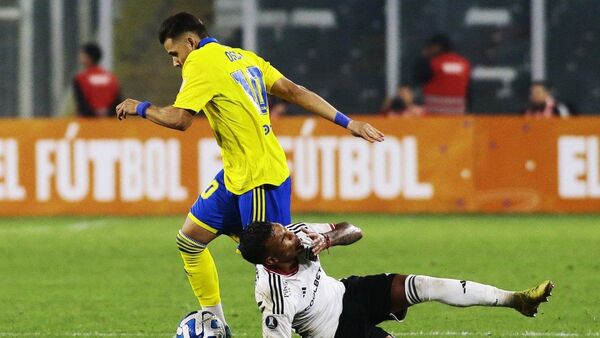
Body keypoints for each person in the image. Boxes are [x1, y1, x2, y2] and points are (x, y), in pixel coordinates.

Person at [115, 12, 384, 335]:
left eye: (175, 54)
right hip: (236, 175)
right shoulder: (244, 58)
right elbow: (295, 91)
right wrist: (348, 122)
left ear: (190, 42)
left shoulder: (201, 62)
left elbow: (180, 120)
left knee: (274, 269)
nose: (175, 62)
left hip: (260, 180)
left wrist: (139, 107)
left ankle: (338, 321)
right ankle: (216, 325)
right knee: (189, 241)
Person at [238, 221, 554, 338]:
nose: (292, 237)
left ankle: (517, 300)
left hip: (351, 292)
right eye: (284, 240)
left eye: (284, 230)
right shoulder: (276, 297)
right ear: (271, 260)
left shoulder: (299, 234)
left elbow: (353, 229)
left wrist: (330, 238)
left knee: (426, 285)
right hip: (337, 332)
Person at [413, 34, 471, 115]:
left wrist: (423, 58)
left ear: (437, 47)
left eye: (430, 47)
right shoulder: (464, 64)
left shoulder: (434, 63)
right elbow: (468, 91)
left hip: (434, 114)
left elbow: (418, 78)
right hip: (457, 115)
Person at [74, 43, 121, 117]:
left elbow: (82, 104)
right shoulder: (111, 78)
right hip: (109, 120)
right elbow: (118, 101)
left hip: (89, 121)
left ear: (89, 57)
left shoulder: (80, 79)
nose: (80, 57)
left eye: (82, 54)